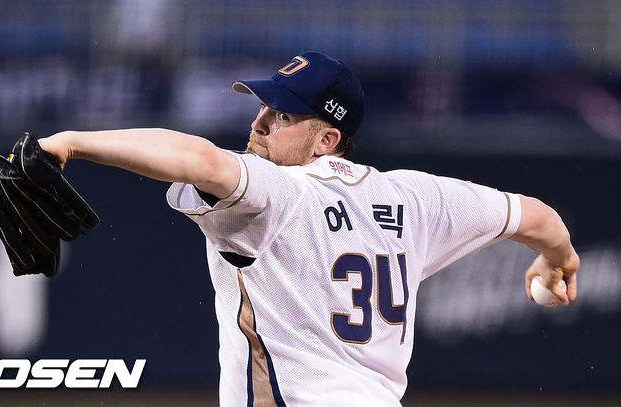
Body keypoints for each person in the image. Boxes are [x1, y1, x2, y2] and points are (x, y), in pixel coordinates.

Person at [38, 51, 580, 406]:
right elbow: (535, 215)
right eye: (264, 106)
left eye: (282, 115)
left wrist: (69, 143)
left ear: (326, 140)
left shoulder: (277, 192)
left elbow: (199, 158)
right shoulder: (415, 197)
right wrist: (559, 260)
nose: (258, 123)